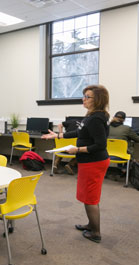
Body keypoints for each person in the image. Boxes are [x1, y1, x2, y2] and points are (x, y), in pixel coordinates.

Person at [42, 84, 110, 243]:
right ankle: (91, 224)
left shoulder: (96, 118)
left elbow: (100, 145)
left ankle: (96, 233)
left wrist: (78, 149)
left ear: (97, 100)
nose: (83, 99)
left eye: (87, 97)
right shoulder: (92, 115)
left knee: (90, 198)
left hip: (94, 162)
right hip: (90, 162)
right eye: (84, 96)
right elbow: (80, 132)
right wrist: (58, 136)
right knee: (88, 195)